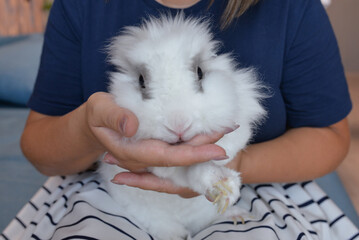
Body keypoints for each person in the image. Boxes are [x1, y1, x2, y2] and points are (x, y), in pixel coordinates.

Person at [3, 0, 358, 239]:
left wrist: (231, 162)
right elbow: (40, 148)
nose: (177, 121)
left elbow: (329, 136)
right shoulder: (80, 7)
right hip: (118, 190)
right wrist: (88, 129)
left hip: (251, 187)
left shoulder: (292, 9)